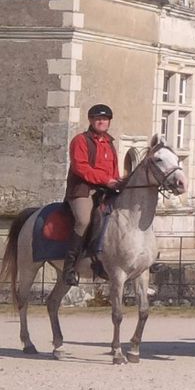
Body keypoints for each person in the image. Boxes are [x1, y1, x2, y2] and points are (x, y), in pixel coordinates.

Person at [62, 104, 121, 285]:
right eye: (97, 119)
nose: (101, 121)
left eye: (104, 119)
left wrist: (118, 183)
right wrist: (106, 180)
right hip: (83, 189)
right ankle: (69, 268)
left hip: (106, 189)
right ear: (90, 121)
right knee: (84, 220)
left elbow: (114, 170)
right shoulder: (80, 140)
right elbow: (81, 167)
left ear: (109, 122)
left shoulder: (110, 143)